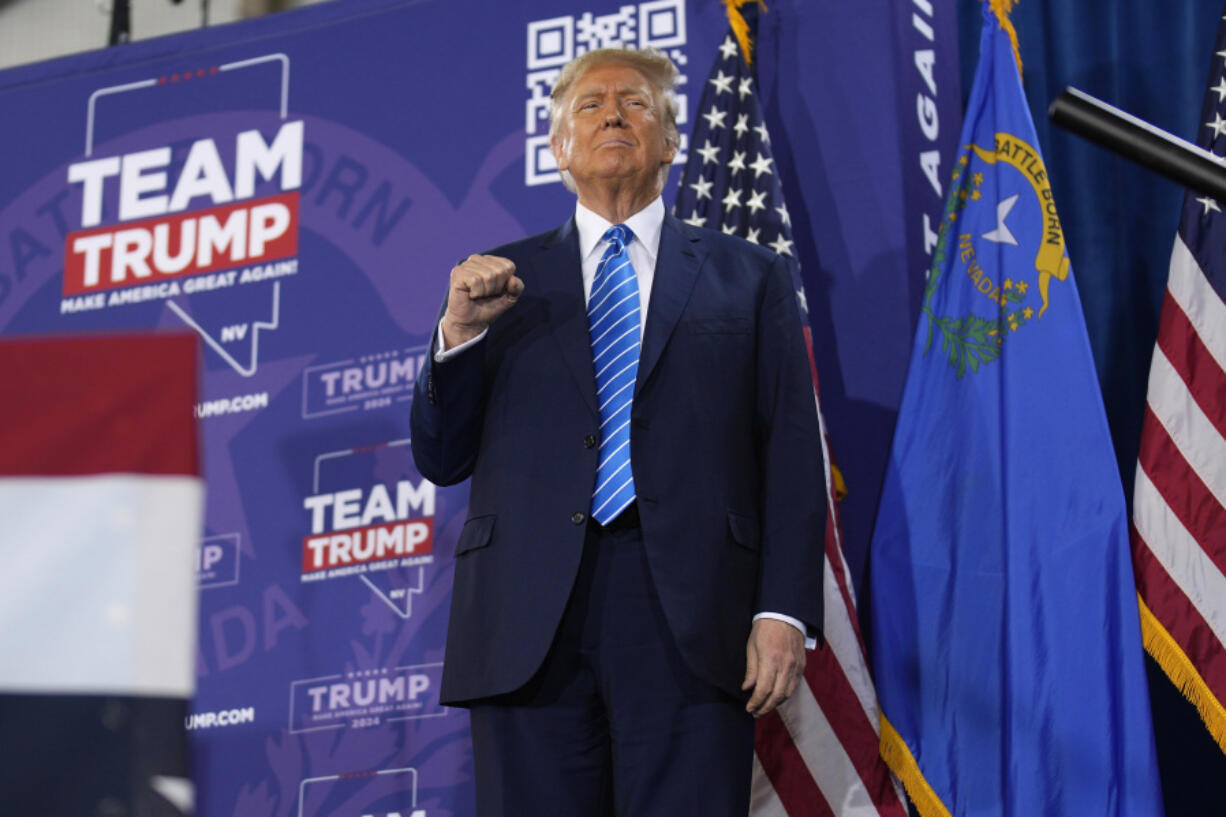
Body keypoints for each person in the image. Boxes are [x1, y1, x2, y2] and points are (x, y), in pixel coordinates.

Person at [410, 46, 826, 817]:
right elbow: (441, 457)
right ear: (559, 148)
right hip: (525, 622)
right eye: (590, 105)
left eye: (635, 103)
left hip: (695, 615)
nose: (612, 114)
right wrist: (457, 333)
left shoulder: (750, 275)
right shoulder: (498, 282)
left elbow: (792, 460)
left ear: (671, 141)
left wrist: (783, 609)